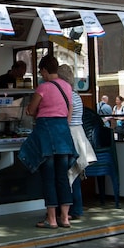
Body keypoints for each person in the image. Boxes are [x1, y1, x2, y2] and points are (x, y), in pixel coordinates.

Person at [25, 55, 76, 229]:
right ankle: (65, 218)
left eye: (41, 72)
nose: (41, 75)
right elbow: (69, 113)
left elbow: (32, 110)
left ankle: (52, 219)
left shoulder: (43, 87)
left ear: (45, 70)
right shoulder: (67, 87)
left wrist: (30, 109)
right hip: (62, 133)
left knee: (48, 177)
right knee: (62, 177)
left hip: (46, 134)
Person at [57, 65, 96, 221]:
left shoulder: (67, 96)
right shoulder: (76, 96)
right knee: (75, 174)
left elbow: (65, 118)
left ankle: (70, 210)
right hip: (79, 135)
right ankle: (77, 209)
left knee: (68, 174)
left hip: (70, 135)